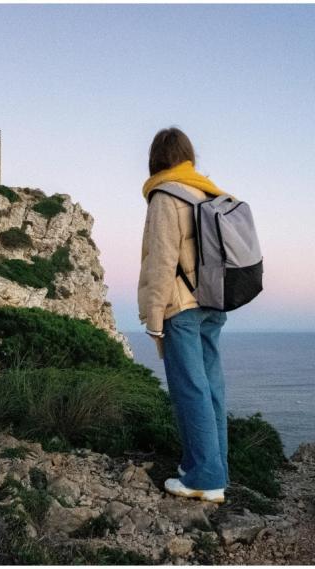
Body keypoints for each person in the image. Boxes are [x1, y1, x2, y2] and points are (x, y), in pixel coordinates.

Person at [137, 127, 232, 504]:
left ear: (156, 159)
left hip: (182, 306)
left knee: (189, 389)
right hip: (214, 302)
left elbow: (161, 262)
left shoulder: (165, 195)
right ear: (188, 155)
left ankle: (206, 479)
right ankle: (211, 466)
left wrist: (154, 318)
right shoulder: (207, 191)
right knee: (211, 387)